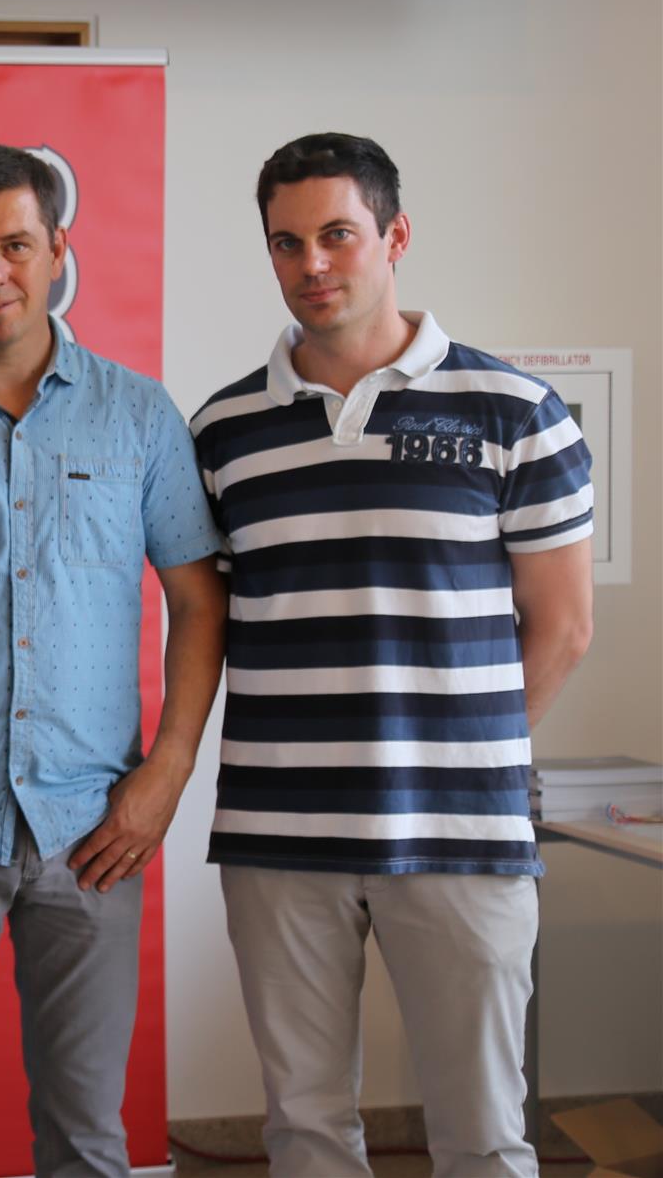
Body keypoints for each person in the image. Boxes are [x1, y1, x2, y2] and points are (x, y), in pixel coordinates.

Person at [191, 133, 594, 1178]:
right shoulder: (222, 430)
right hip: (278, 835)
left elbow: (561, 627)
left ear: (395, 235)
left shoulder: (515, 413)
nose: (311, 263)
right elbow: (209, 619)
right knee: (304, 1133)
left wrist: (454, 754)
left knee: (481, 1138)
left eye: (337, 234)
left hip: (461, 832)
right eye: (286, 243)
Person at [0, 145, 226, 1178]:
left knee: (86, 1137)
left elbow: (198, 603)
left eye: (16, 245)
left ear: (57, 250)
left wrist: (167, 773)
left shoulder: (137, 414)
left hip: (94, 830)